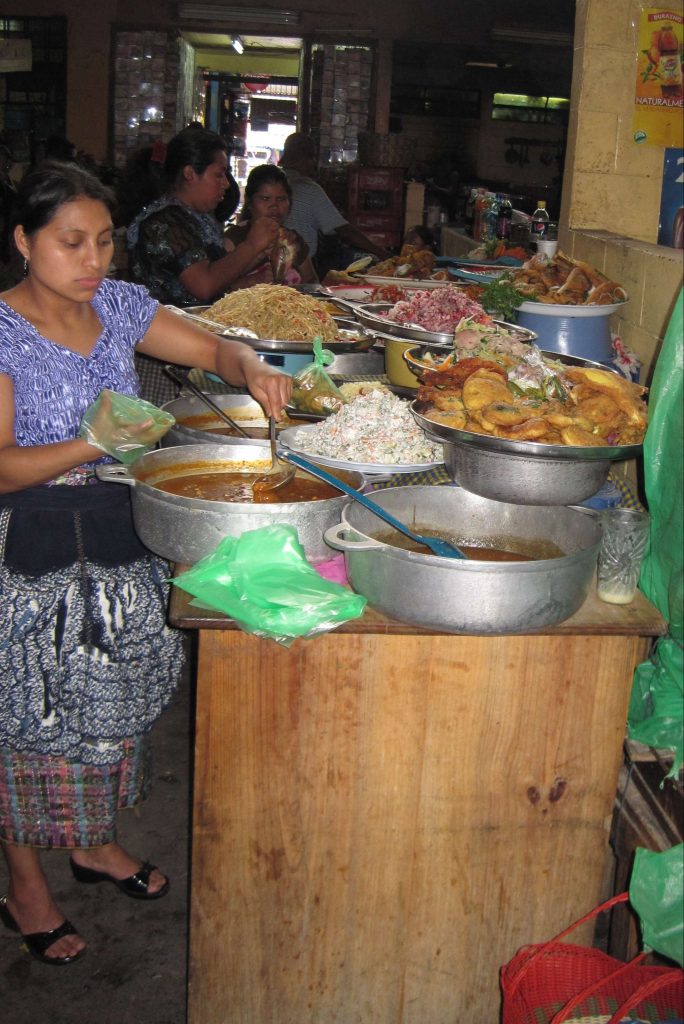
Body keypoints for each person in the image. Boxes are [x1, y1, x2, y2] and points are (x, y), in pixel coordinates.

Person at [0, 160, 291, 966]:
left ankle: (93, 843)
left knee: (114, 703)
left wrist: (253, 368)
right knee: (26, 724)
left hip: (119, 540)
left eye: (103, 242)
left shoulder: (121, 309)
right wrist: (91, 444)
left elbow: (217, 352)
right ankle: (25, 885)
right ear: (25, 242)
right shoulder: (0, 330)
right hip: (31, 551)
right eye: (70, 243)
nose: (92, 260)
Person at [127, 126, 280, 403]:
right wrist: (251, 246)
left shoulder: (198, 219)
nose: (225, 184)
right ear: (189, 174)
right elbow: (203, 285)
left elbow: (219, 277)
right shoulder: (163, 222)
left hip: (203, 348)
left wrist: (254, 264)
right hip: (167, 360)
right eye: (219, 175)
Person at [278, 133, 391, 268]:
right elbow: (344, 230)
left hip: (267, 264)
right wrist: (380, 252)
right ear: (305, 159)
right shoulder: (309, 189)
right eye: (313, 159)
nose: (314, 164)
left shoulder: (271, 181)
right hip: (298, 267)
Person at [224, 164, 316, 289]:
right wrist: (249, 281)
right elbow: (217, 292)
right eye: (265, 198)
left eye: (281, 199)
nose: (274, 206)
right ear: (249, 202)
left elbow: (312, 283)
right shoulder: (234, 238)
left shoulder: (291, 240)